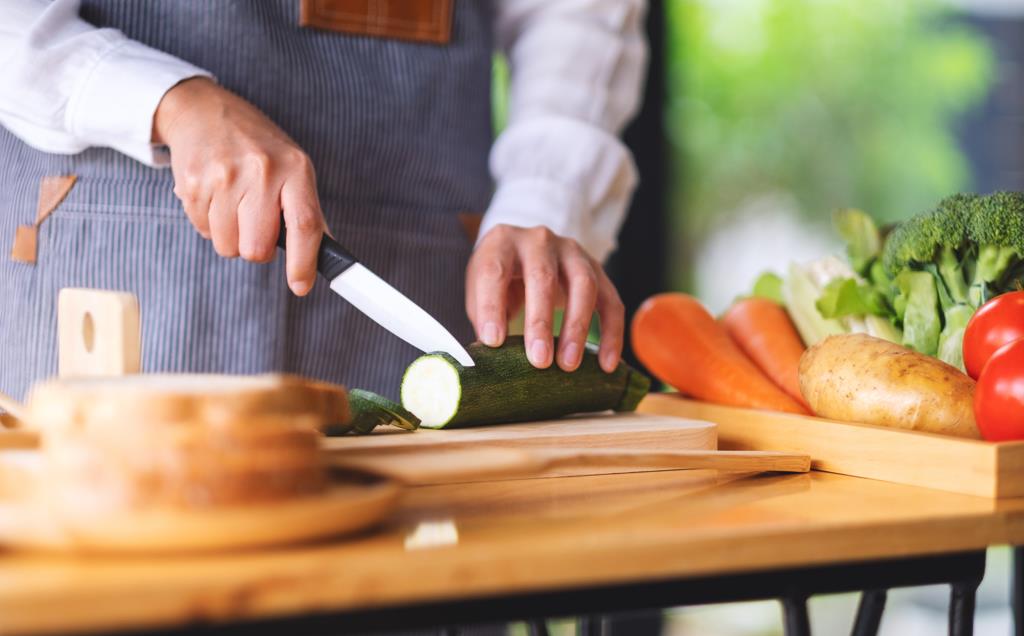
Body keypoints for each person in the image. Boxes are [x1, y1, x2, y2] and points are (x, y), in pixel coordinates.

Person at [0, 0, 648, 400]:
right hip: (96, 270)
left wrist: (547, 191)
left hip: (425, 262)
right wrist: (164, 100)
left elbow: (578, 11)